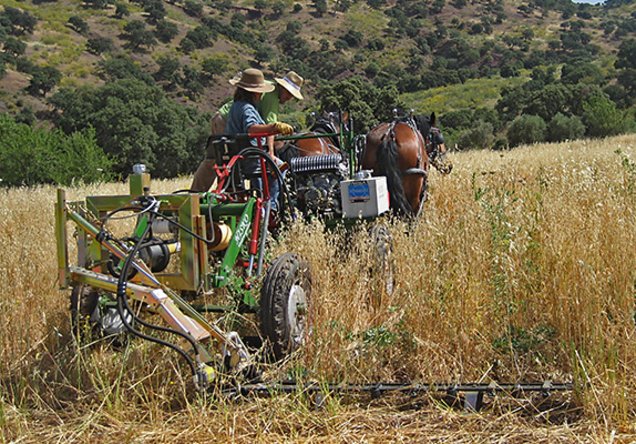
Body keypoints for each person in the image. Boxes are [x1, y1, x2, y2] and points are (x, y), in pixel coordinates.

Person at [191, 69, 293, 206]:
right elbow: (251, 128)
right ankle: (270, 206)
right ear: (255, 92)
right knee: (280, 167)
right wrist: (274, 128)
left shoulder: (237, 105)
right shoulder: (247, 109)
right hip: (249, 158)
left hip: (239, 154)